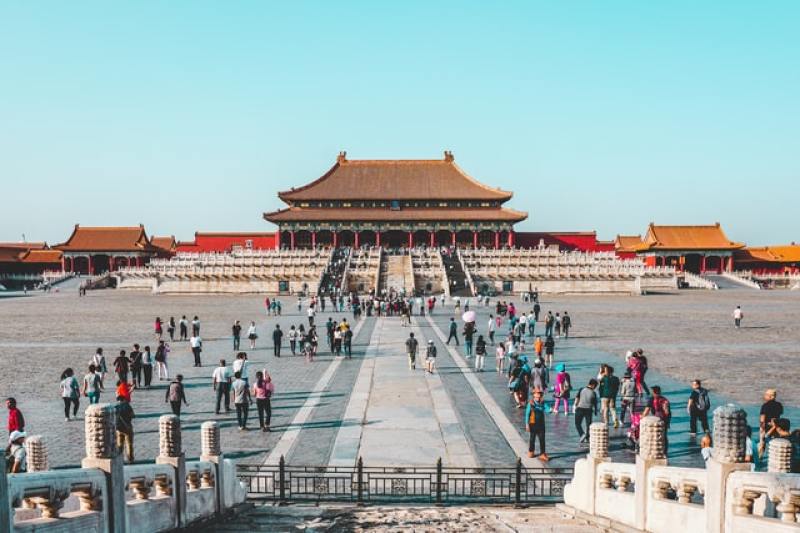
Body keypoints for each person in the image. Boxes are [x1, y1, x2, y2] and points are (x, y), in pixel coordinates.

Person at [643, 385, 671, 452]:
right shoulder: (664, 399)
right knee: (664, 435)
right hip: (665, 419)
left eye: (652, 392)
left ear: (654, 392)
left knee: (657, 435)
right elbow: (667, 412)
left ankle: (659, 450)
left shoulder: (653, 399)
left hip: (659, 419)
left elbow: (646, 411)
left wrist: (642, 418)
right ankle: (664, 451)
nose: (652, 393)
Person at [758, 389, 784, 460]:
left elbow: (762, 419)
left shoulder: (765, 406)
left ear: (770, 396)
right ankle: (774, 458)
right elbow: (779, 415)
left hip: (766, 427)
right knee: (774, 444)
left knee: (762, 445)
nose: (764, 396)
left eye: (766, 395)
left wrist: (762, 430)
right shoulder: (779, 405)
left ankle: (759, 459)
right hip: (776, 427)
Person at [573, 379, 599, 444]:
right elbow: (595, 403)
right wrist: (595, 410)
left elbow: (577, 398)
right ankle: (587, 438)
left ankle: (582, 434)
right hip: (589, 410)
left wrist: (575, 405)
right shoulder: (593, 393)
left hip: (580, 408)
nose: (595, 388)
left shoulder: (581, 389)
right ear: (593, 385)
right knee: (588, 425)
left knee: (577, 423)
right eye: (595, 386)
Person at [525, 388, 548, 461]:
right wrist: (527, 424)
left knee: (542, 439)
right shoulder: (530, 404)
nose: (538, 396)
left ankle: (542, 453)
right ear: (534, 395)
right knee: (532, 439)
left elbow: (547, 409)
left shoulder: (543, 403)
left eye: (539, 395)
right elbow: (527, 414)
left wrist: (551, 410)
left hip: (541, 424)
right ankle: (531, 451)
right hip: (533, 424)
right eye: (537, 395)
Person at [115, 395, 135, 463]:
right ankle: (130, 459)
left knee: (119, 445)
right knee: (129, 444)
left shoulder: (115, 407)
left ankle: (119, 459)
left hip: (118, 429)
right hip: (127, 427)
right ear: (124, 399)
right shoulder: (127, 406)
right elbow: (133, 415)